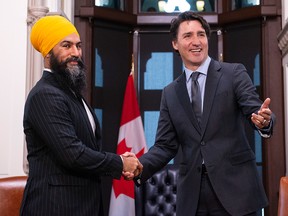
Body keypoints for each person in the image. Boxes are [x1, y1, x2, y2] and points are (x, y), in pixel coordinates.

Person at [131, 11, 276, 216]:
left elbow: (256, 110)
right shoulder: (170, 93)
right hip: (193, 198)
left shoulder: (233, 73)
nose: (196, 41)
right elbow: (165, 146)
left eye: (201, 34)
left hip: (237, 193)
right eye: (188, 36)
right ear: (175, 43)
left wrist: (264, 122)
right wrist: (139, 165)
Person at [20, 15, 142, 216]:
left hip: (85, 205)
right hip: (55, 208)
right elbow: (73, 154)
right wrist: (120, 163)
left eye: (78, 46)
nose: (75, 53)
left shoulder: (71, 93)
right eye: (66, 46)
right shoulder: (45, 95)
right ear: (48, 53)